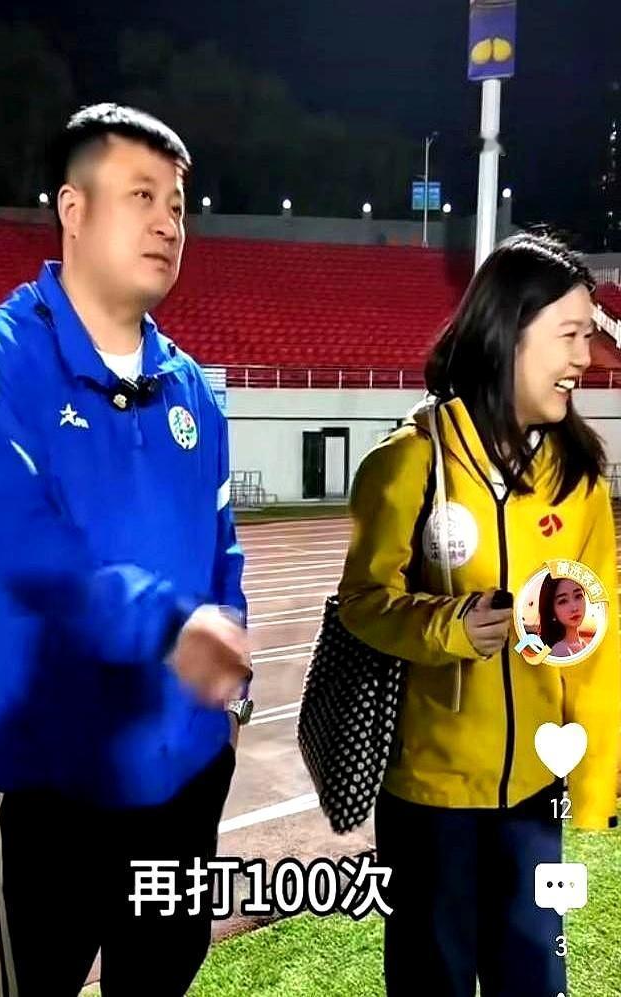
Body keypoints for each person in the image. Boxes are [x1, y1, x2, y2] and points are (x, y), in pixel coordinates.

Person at [0, 103, 253, 997]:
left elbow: (224, 549)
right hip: (56, 781)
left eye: (178, 204)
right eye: (142, 195)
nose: (169, 223)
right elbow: (27, 550)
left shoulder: (195, 388)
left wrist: (229, 699)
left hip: (186, 776)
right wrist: (172, 626)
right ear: (72, 209)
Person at [338, 233, 620, 997]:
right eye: (570, 334)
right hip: (428, 800)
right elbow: (362, 602)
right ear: (508, 334)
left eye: (588, 335)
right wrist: (448, 628)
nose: (586, 358)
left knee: (536, 980)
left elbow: (595, 633)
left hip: (533, 794)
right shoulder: (408, 460)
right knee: (431, 980)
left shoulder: (580, 478)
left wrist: (596, 779)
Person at [538, 574, 590, 657]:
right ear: (551, 609)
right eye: (563, 601)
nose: (574, 608)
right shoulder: (560, 651)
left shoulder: (584, 645)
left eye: (578, 596)